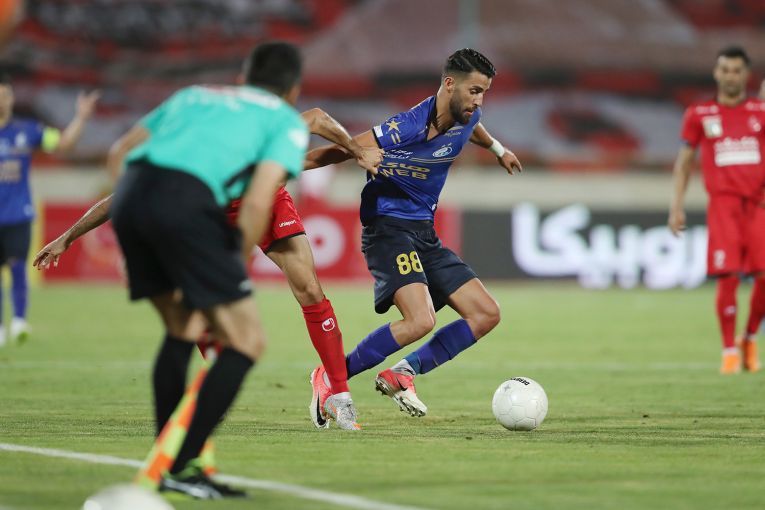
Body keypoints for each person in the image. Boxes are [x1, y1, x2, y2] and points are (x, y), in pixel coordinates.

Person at [34, 107, 382, 431]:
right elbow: (122, 197)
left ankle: (338, 393)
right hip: (216, 219)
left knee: (310, 289)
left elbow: (317, 123)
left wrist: (356, 150)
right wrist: (68, 237)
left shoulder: (258, 135)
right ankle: (217, 378)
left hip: (268, 204)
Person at [105, 41, 316, 499]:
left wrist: (135, 226)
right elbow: (258, 201)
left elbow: (118, 152)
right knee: (246, 340)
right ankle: (181, 464)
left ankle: (172, 461)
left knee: (182, 328)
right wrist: (234, 260)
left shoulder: (194, 95)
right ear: (293, 91)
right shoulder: (284, 121)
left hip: (131, 197)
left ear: (243, 78)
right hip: (188, 203)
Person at [303, 48, 522, 417]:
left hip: (424, 234)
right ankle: (331, 375)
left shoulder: (469, 115)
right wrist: (292, 165)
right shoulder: (404, 128)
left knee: (485, 313)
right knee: (420, 320)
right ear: (449, 84)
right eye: (474, 91)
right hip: (388, 229)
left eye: (484, 92)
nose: (479, 101)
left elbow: (476, 128)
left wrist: (499, 149)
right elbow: (341, 151)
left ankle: (403, 372)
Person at [669, 46, 765, 374]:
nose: (731, 76)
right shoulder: (699, 113)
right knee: (728, 275)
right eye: (725, 70)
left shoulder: (760, 111)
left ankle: (749, 337)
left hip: (759, 204)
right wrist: (676, 207)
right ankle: (729, 352)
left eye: (737, 70)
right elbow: (684, 163)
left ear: (746, 74)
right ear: (716, 73)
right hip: (723, 205)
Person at [0, 74, 98, 347]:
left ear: (11, 99)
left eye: (5, 95)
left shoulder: (28, 130)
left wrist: (81, 118)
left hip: (18, 214)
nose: (1, 101)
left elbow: (64, 143)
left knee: (18, 267)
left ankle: (19, 321)